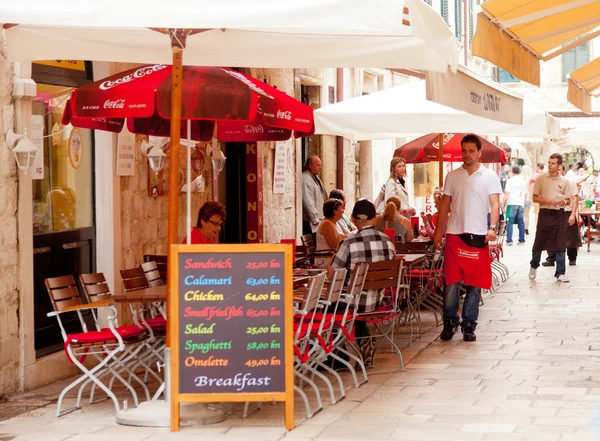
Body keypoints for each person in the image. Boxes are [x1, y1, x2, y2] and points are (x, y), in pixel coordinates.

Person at [433, 134, 502, 342]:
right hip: (455, 234)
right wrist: (438, 231)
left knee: (475, 282)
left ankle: (469, 324)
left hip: (479, 235)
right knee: (451, 283)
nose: (466, 154)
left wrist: (493, 227)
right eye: (464, 150)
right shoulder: (452, 176)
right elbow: (445, 204)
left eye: (471, 151)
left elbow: (495, 205)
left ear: (479, 153)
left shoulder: (489, 176)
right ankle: (450, 322)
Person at [328, 199, 396, 366]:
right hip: (381, 302)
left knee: (325, 305)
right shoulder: (388, 241)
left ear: (352, 218)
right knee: (355, 299)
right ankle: (363, 339)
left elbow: (332, 274)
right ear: (375, 218)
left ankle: (339, 357)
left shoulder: (349, 242)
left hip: (354, 303)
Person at [528, 154, 578, 283]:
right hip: (545, 214)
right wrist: (548, 201)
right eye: (549, 162)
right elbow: (534, 198)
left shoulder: (565, 181)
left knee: (560, 242)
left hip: (559, 214)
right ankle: (534, 265)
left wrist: (564, 203)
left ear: (559, 166)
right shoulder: (541, 179)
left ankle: (560, 273)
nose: (550, 165)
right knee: (539, 241)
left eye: (553, 163)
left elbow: (568, 200)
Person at [542, 163, 581, 267]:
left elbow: (575, 199)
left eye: (559, 169)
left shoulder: (570, 182)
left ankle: (572, 258)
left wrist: (573, 214)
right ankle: (551, 258)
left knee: (570, 236)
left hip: (567, 212)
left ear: (563, 170)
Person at [315, 198, 347, 268]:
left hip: (334, 258)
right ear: (335, 211)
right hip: (327, 260)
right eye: (341, 209)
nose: (343, 211)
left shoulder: (335, 223)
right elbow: (335, 246)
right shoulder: (327, 225)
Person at [302, 155, 328, 241]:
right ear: (310, 165)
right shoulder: (305, 178)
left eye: (320, 165)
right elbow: (307, 200)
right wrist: (315, 219)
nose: (320, 168)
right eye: (318, 165)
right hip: (311, 222)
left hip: (318, 219)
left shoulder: (315, 178)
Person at [503, 165, 527, 246]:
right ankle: (521, 240)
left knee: (509, 222)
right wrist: (523, 202)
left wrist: (503, 203)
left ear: (512, 171)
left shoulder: (510, 180)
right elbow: (525, 193)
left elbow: (507, 193)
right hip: (520, 203)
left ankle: (509, 240)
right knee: (521, 222)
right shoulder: (523, 181)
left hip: (511, 202)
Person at [529, 162, 545, 235]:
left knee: (537, 213)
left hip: (537, 197)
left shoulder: (534, 176)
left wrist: (531, 196)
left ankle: (538, 227)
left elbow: (532, 186)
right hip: (545, 197)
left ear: (538, 167)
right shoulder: (546, 175)